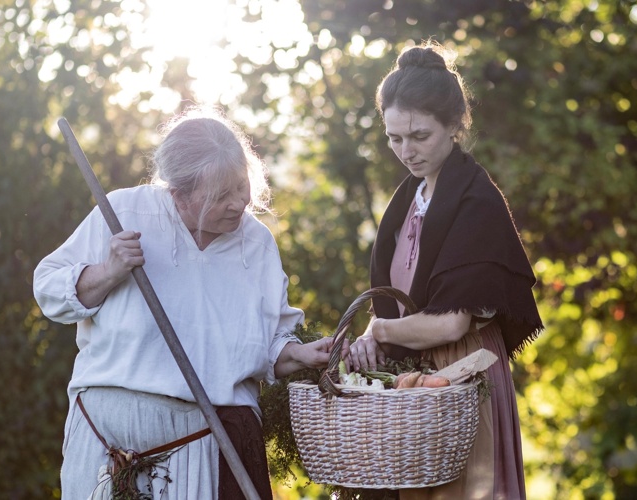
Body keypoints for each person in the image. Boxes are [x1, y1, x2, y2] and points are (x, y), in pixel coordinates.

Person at [33, 108, 338, 499]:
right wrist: (109, 271)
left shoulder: (257, 244)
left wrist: (299, 353)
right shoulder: (124, 213)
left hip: (207, 444)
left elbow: (268, 345)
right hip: (105, 441)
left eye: (241, 185)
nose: (238, 203)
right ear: (179, 195)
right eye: (221, 195)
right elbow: (48, 289)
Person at [346, 42, 544, 499]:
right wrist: (375, 338)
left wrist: (379, 331)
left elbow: (451, 323)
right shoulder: (407, 202)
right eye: (395, 138)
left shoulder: (476, 201)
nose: (406, 151)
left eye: (419, 135)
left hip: (463, 378)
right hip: (414, 381)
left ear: (454, 125)